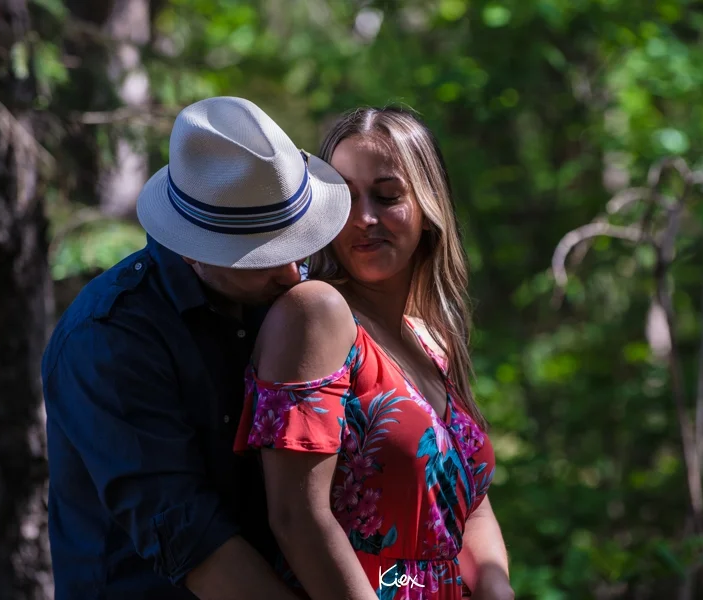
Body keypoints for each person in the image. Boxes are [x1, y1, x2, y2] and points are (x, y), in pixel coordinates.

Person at [41, 96, 351, 599]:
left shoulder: (274, 297)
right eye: (263, 256)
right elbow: (194, 545)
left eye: (298, 247)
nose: (292, 274)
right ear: (192, 251)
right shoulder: (108, 340)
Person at [233, 107, 514, 600]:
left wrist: (496, 587)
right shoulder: (315, 313)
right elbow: (297, 517)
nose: (364, 219)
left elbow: (469, 505)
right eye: (345, 199)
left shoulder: (431, 338)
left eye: (387, 197)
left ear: (428, 207)